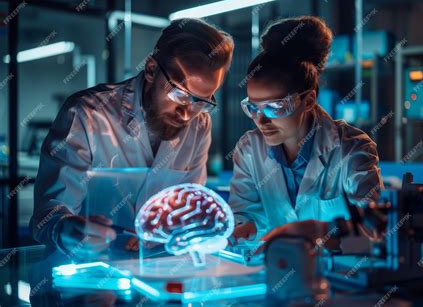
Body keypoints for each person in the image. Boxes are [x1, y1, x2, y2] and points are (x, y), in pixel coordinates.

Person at [29, 18, 234, 256]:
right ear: (151, 70)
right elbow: (48, 212)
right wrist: (64, 229)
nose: (187, 113)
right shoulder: (88, 113)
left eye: (202, 101)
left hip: (158, 269)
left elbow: (188, 203)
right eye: (180, 93)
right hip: (88, 269)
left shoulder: (199, 124)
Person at [228, 16, 383, 247]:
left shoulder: (351, 148)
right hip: (273, 270)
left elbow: (375, 235)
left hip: (338, 277)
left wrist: (319, 233)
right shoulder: (249, 149)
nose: (260, 120)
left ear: (308, 99)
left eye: (275, 107)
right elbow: (246, 214)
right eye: (253, 107)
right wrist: (244, 228)